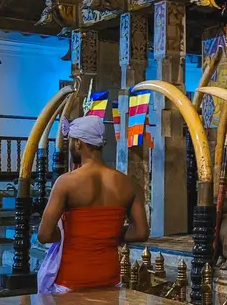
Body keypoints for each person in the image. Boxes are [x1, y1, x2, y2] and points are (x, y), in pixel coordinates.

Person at [37, 115, 149, 290]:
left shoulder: (66, 182)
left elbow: (44, 235)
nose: (71, 147)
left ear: (79, 143)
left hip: (72, 280)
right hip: (109, 278)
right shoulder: (127, 183)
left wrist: (67, 234)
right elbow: (141, 232)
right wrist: (109, 234)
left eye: (72, 142)